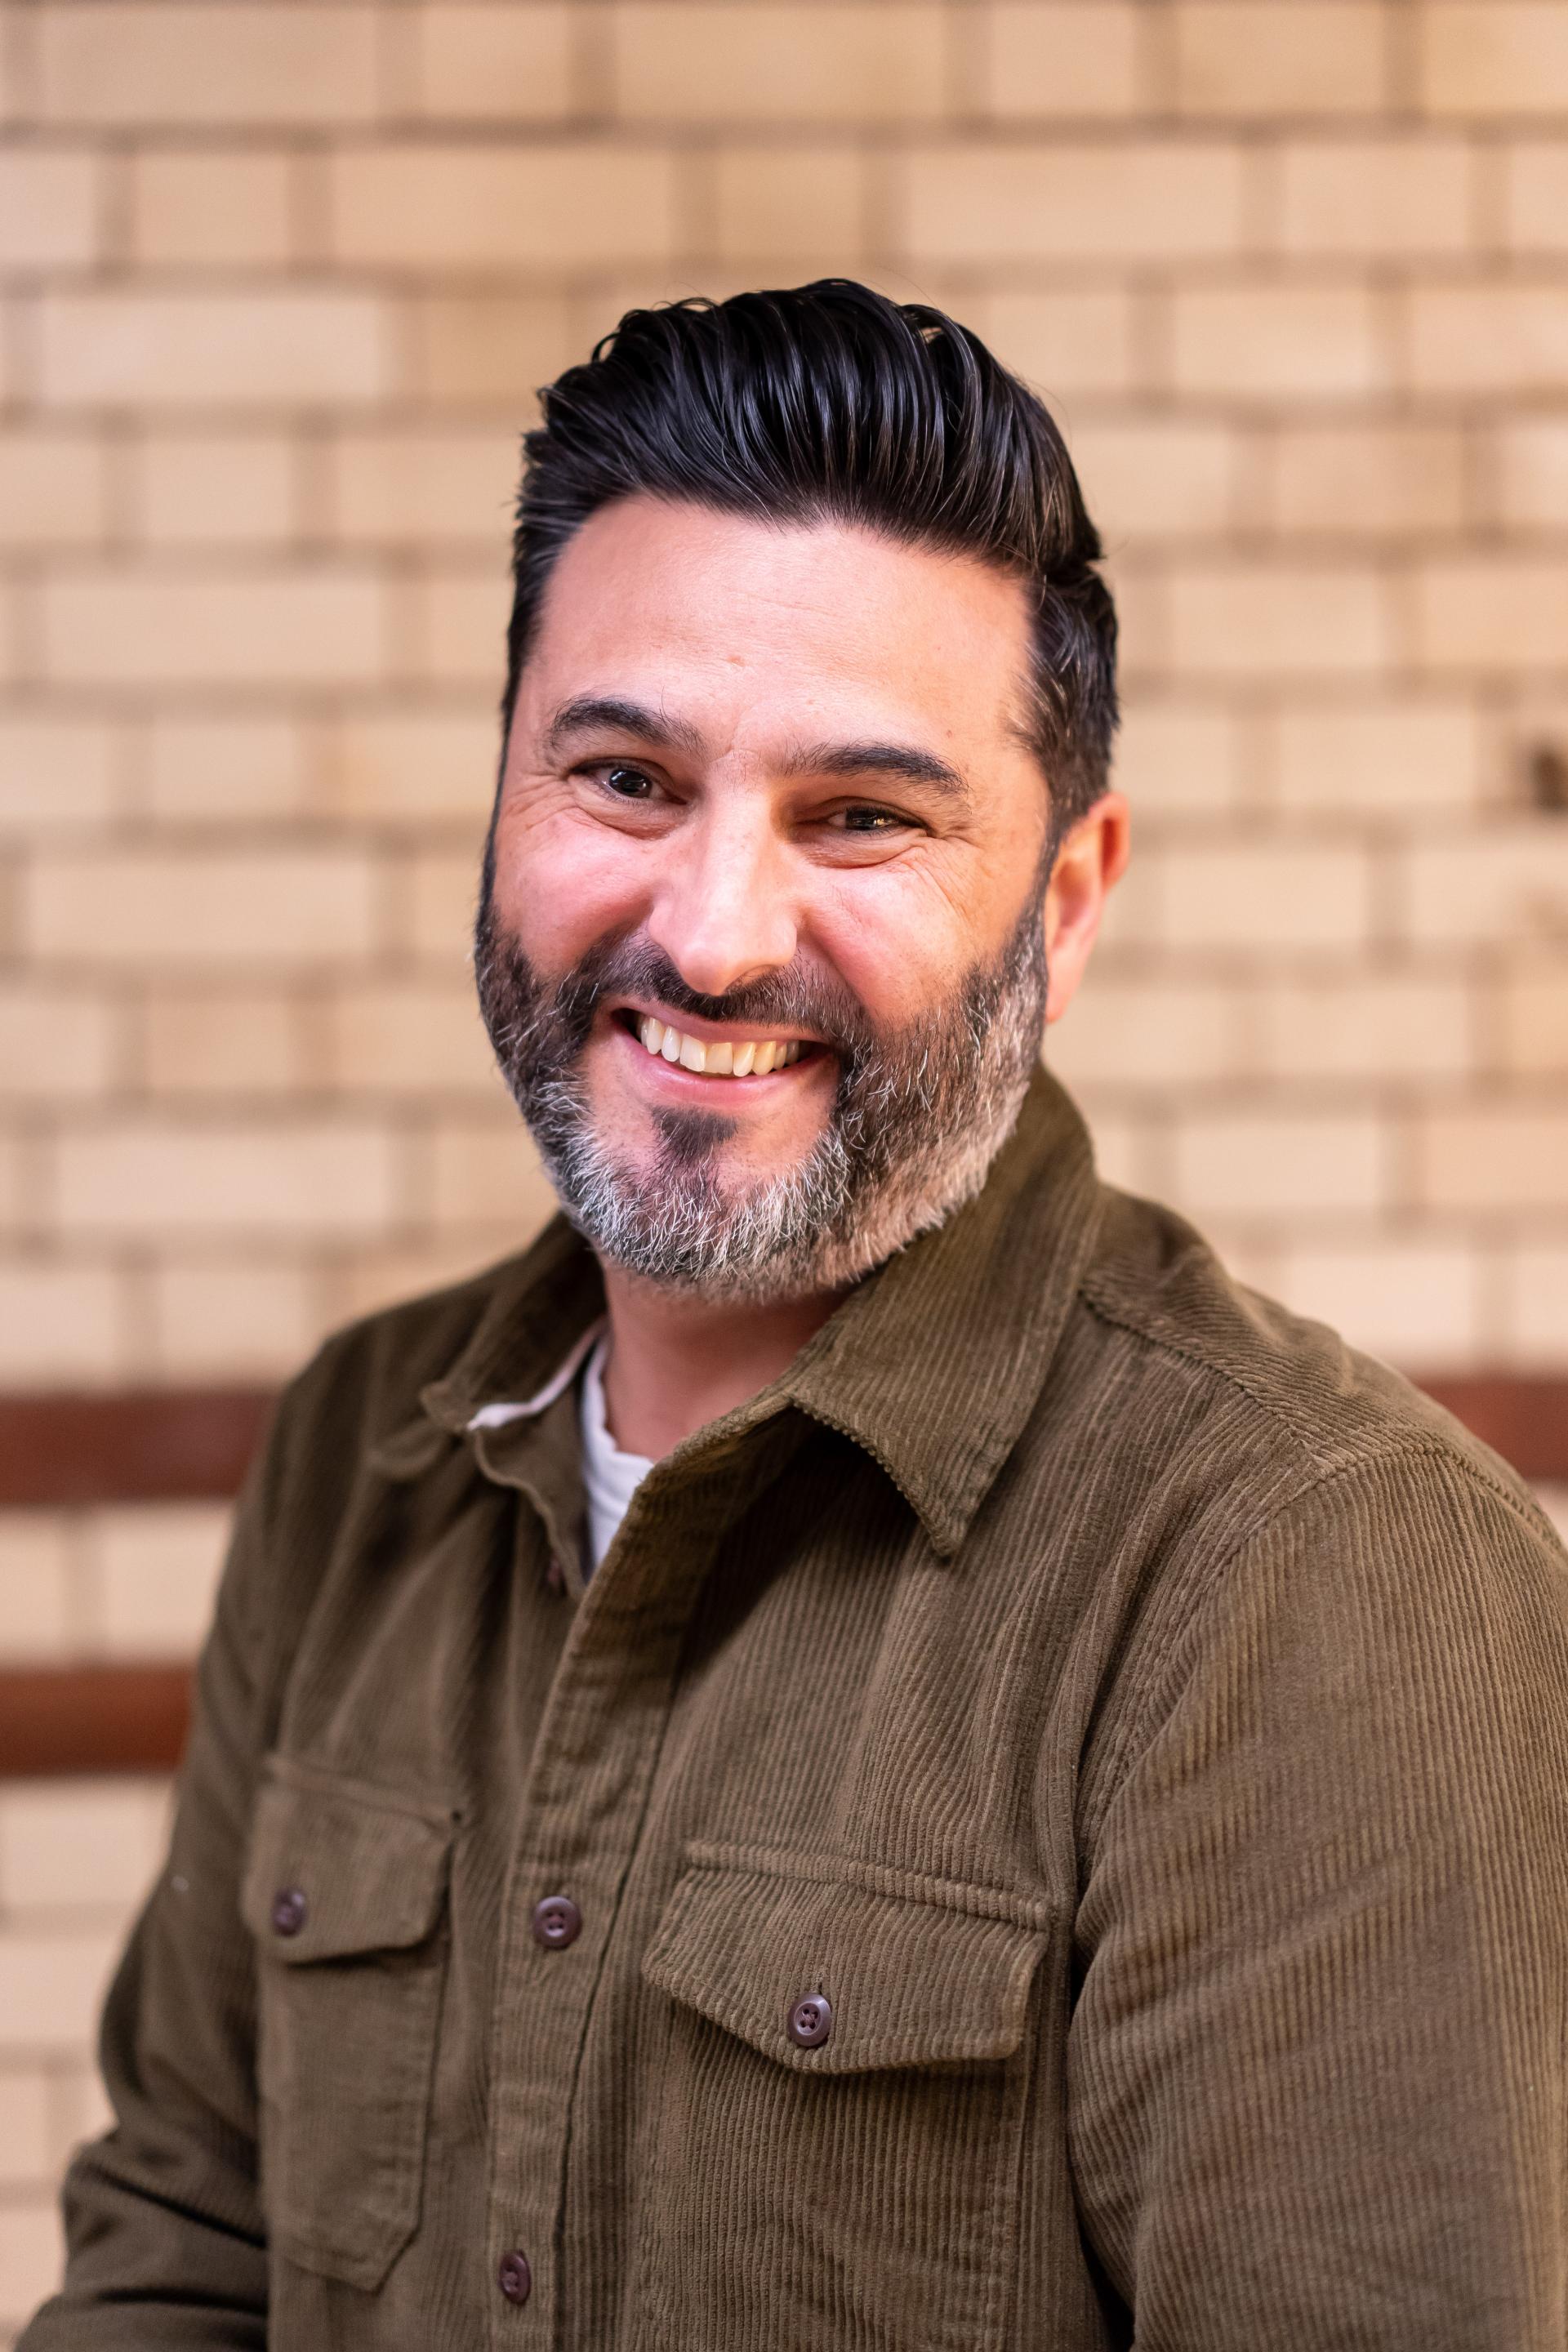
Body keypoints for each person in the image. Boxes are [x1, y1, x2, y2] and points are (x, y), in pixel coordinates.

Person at [21, 280, 1568, 2352]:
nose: (714, 931)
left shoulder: (1317, 1569)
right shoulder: (362, 1450)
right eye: (626, 778)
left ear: (1070, 899)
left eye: (863, 816)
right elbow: (183, 2259)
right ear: (501, 800)